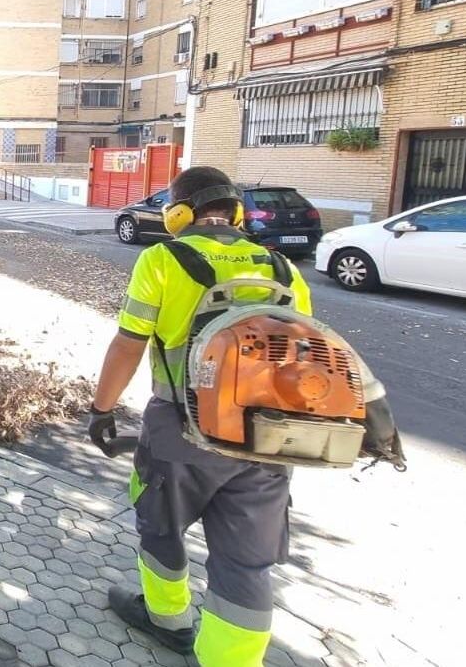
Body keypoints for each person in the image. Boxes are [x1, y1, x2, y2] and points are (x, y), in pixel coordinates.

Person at [87, 166, 314, 666]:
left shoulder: (162, 259)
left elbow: (129, 343)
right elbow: (302, 351)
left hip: (181, 429)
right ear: (236, 213)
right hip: (265, 435)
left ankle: (167, 620)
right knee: (247, 562)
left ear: (178, 213)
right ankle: (230, 660)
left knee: (161, 526)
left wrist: (101, 409)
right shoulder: (281, 268)